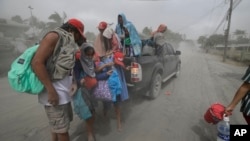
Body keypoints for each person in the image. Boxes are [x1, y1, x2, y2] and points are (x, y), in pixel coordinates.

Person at [31, 18, 85, 141]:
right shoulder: (54, 36)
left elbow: (64, 67)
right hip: (54, 95)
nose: (77, 38)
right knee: (63, 132)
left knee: (58, 129)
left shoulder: (65, 41)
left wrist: (72, 82)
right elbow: (37, 63)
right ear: (71, 30)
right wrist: (51, 90)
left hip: (62, 95)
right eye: (78, 34)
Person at [72, 43, 97, 141]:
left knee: (93, 112)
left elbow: (94, 73)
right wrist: (80, 80)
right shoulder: (78, 63)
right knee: (88, 113)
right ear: (83, 53)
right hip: (83, 91)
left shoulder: (91, 63)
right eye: (87, 54)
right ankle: (90, 134)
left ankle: (91, 130)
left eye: (91, 54)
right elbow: (76, 76)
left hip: (93, 89)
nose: (89, 57)